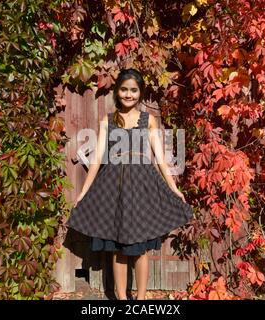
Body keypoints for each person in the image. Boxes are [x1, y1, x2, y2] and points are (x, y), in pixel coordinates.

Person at [66, 68, 193, 300]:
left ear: (140, 92)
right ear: (117, 91)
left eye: (133, 90)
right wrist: (83, 192)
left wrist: (175, 189)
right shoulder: (108, 121)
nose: (128, 94)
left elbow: (161, 162)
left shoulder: (148, 120)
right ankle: (122, 300)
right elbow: (96, 161)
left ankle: (141, 299)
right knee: (119, 249)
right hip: (114, 189)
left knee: (140, 248)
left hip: (142, 189)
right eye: (124, 89)